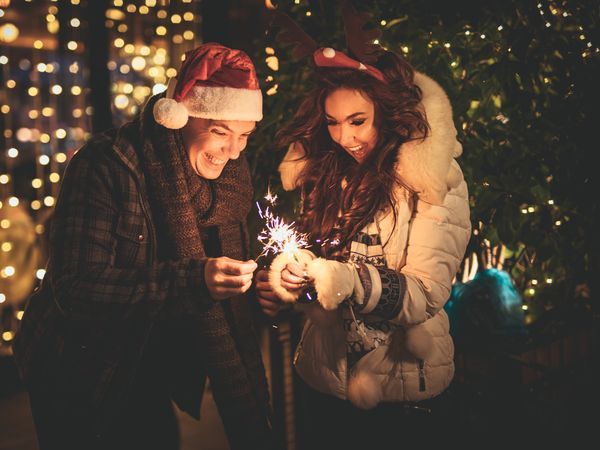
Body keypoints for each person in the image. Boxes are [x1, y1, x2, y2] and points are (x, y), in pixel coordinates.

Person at [13, 43, 275, 450]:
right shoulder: (106, 164)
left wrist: (263, 289)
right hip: (82, 369)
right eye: (220, 132)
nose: (233, 151)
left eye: (244, 135)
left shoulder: (229, 183)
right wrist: (193, 281)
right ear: (179, 117)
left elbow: (233, 272)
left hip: (153, 361)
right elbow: (75, 288)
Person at [256, 45, 471, 447]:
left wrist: (349, 280)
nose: (345, 137)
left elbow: (426, 293)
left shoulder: (430, 180)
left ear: (387, 113)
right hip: (322, 380)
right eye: (333, 122)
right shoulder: (324, 172)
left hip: (403, 392)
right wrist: (294, 275)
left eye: (358, 121)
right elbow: (313, 259)